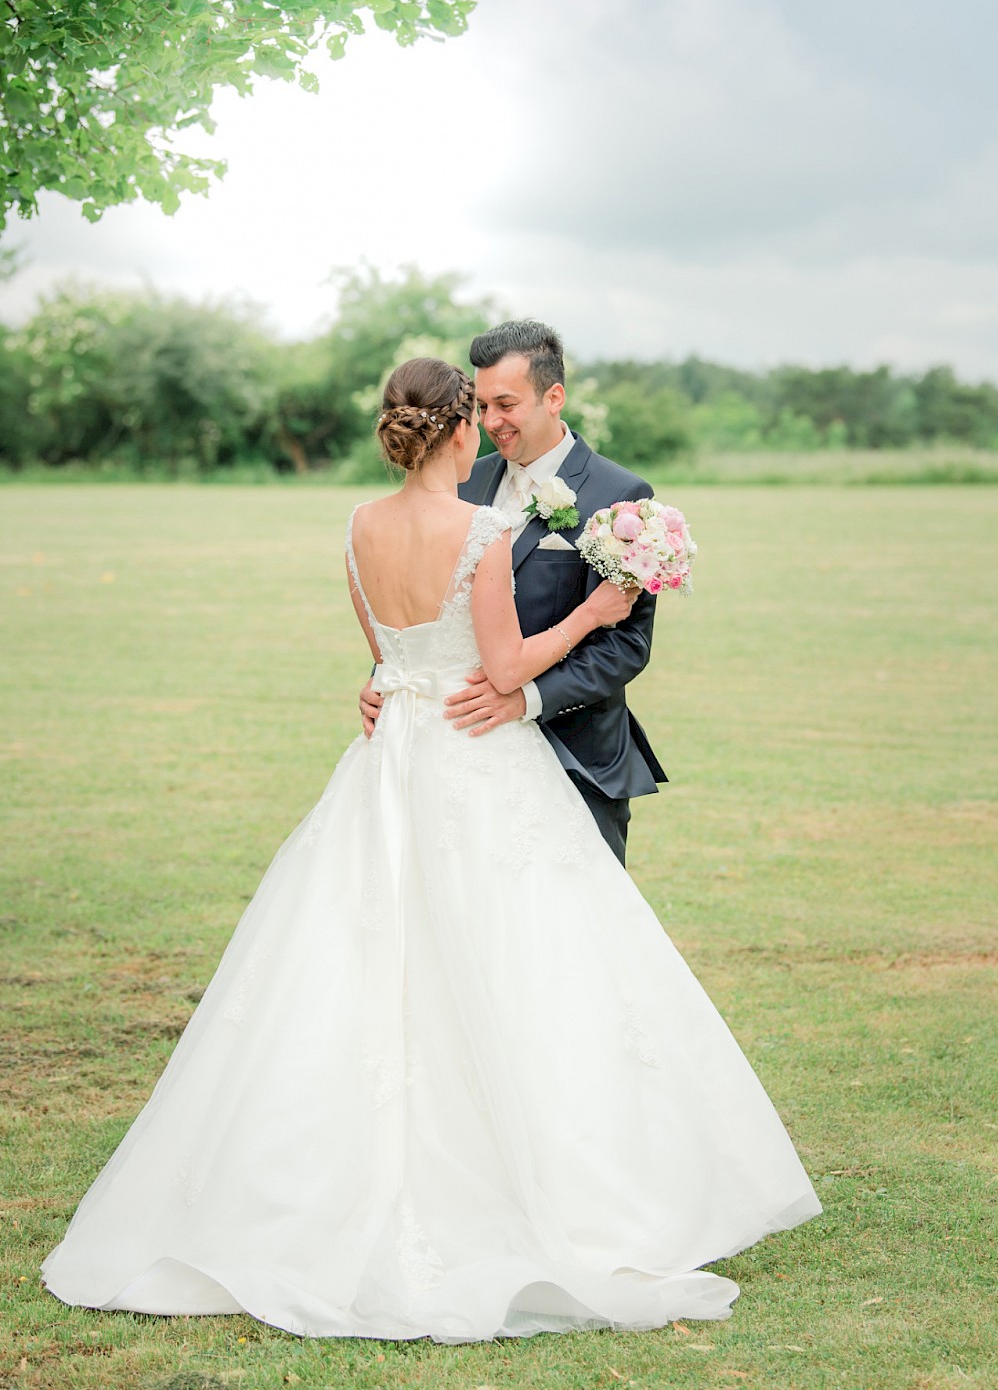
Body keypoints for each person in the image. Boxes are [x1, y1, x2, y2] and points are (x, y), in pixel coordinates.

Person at [42, 357, 820, 1343]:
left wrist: (384, 683)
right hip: (475, 758)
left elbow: (388, 652)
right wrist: (593, 610)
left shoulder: (358, 527)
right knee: (519, 963)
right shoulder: (483, 530)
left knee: (357, 954)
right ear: (458, 431)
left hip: (388, 761)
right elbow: (498, 667)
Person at [361, 320, 666, 865]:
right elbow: (430, 601)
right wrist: (389, 681)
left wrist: (524, 699)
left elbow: (625, 644)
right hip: (462, 757)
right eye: (480, 406)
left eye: (506, 404)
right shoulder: (462, 480)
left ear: (554, 397)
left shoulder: (622, 496)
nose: (491, 421)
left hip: (578, 757)